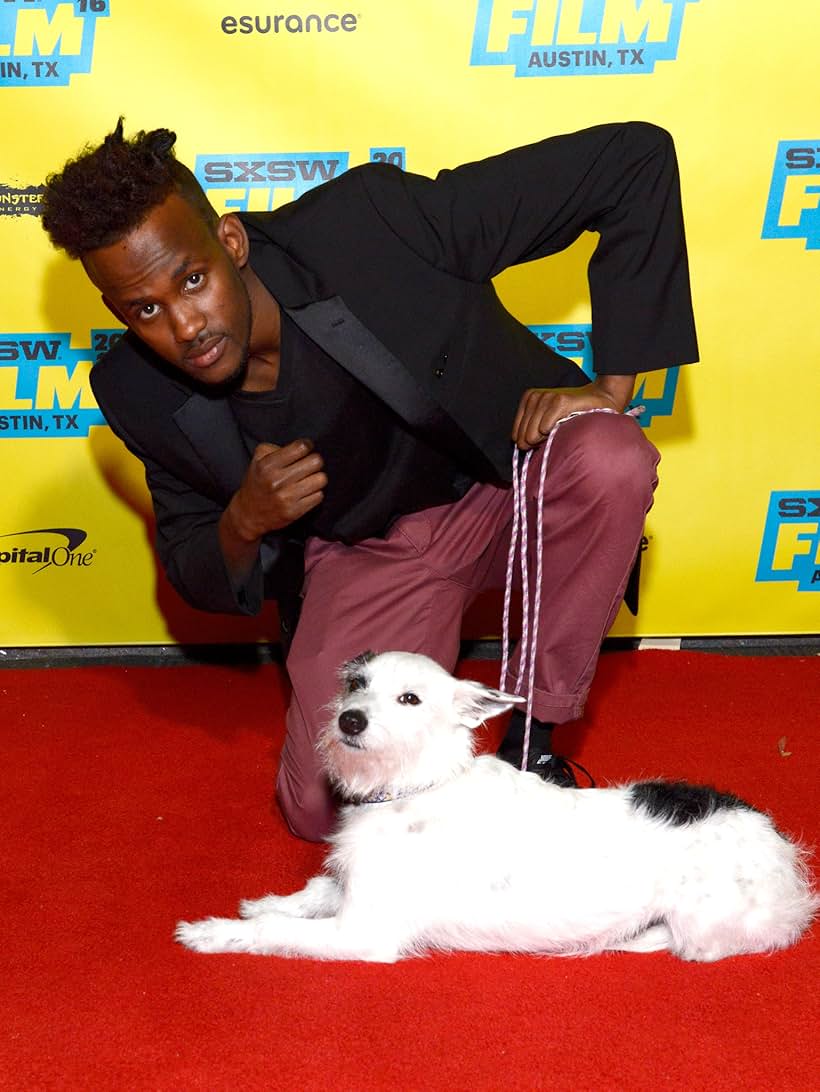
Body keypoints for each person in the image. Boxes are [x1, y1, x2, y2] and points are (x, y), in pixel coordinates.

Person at [42, 119, 698, 841]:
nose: (186, 325)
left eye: (192, 280)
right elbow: (195, 562)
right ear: (117, 312)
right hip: (375, 553)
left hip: (515, 470)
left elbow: (631, 158)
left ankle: (530, 751)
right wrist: (243, 519)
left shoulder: (368, 225)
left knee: (610, 454)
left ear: (231, 242)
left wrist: (609, 389)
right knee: (321, 810)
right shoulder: (136, 390)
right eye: (146, 310)